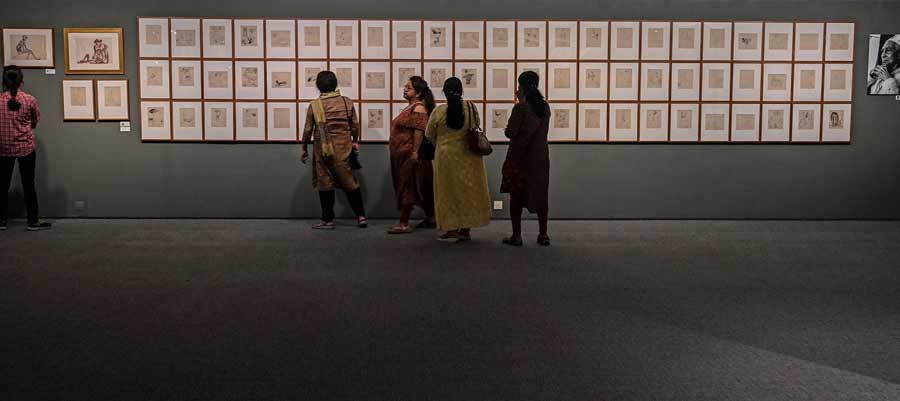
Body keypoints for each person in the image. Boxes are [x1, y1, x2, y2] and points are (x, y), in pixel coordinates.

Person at [424, 77, 491, 243]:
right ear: (461, 91)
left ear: (444, 92)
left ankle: (451, 230)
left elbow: (429, 134)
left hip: (446, 157)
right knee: (468, 191)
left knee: (447, 192)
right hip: (469, 156)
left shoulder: (439, 111)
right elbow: (476, 125)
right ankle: (465, 230)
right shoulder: (470, 107)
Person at [301, 70, 367, 229]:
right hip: (344, 148)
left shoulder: (315, 105)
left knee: (325, 184)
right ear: (335, 84)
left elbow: (308, 130)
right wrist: (355, 141)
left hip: (323, 150)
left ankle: (327, 220)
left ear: (318, 85)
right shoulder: (346, 102)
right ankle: (361, 216)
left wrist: (304, 148)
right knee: (350, 182)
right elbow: (355, 125)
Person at [501, 71, 551, 246]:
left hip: (519, 158)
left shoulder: (521, 107)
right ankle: (543, 234)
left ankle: (517, 236)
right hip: (540, 158)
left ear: (521, 87)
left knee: (516, 197)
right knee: (541, 196)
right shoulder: (545, 107)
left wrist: (520, 102)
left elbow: (510, 132)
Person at [0, 65, 50, 231]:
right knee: (29, 184)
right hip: (26, 148)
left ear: (4, 82)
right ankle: (33, 221)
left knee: (2, 185)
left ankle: (1, 221)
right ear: (22, 81)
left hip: (3, 149)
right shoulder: (30, 100)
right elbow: (35, 121)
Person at [387, 76, 436, 234]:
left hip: (410, 155)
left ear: (419, 92)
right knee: (420, 187)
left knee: (408, 185)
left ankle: (404, 223)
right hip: (402, 155)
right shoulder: (410, 107)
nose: (405, 89)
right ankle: (431, 218)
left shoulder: (419, 108)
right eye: (405, 86)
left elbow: (419, 132)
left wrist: (414, 152)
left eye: (409, 87)